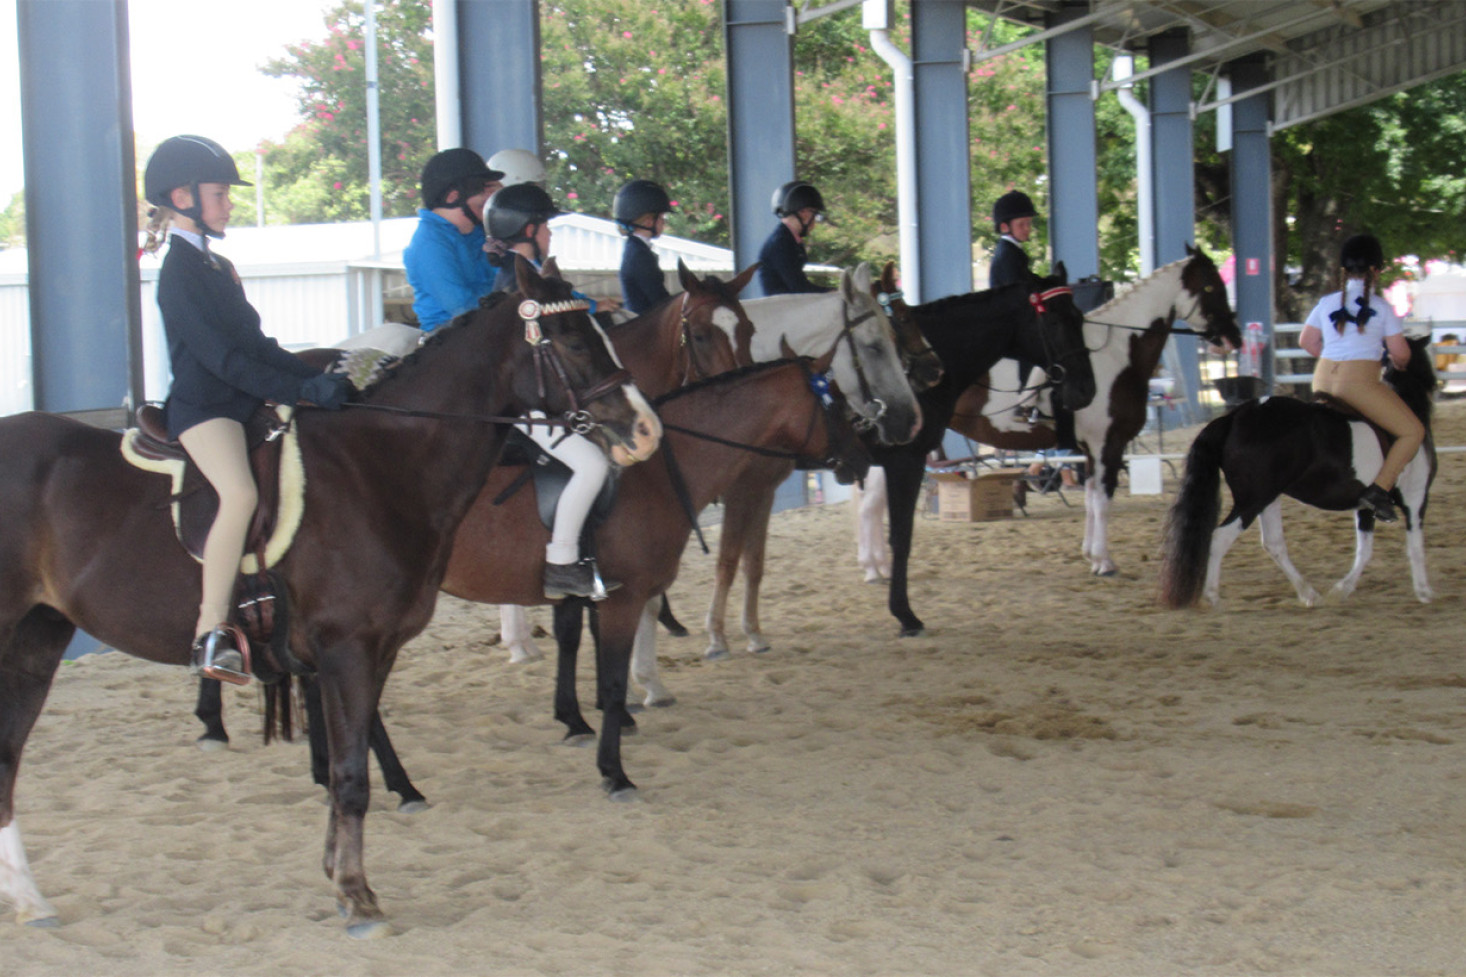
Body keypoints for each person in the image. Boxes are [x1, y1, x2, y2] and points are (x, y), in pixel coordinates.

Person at [142, 135, 351, 685]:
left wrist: (316, 378)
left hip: (240, 401)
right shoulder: (178, 274)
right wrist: (297, 392)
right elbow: (223, 361)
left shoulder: (216, 266)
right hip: (206, 407)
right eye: (220, 195)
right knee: (240, 494)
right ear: (182, 196)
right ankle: (210, 634)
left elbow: (257, 345)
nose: (229, 204)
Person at [484, 184, 619, 599]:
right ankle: (561, 563)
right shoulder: (518, 287)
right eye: (546, 227)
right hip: (522, 404)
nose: (550, 235)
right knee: (592, 465)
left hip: (534, 395)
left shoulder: (525, 276)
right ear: (528, 229)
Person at [1299, 232, 1422, 523]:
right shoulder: (1381, 307)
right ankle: (1380, 489)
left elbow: (1307, 342)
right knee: (1412, 432)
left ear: (1344, 271)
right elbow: (1401, 353)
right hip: (1359, 384)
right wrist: (1399, 364)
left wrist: (1336, 356)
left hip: (1322, 379)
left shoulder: (1326, 302)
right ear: (1376, 271)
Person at [402, 148, 505, 334]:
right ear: (453, 196)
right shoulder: (429, 243)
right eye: (483, 189)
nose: (491, 197)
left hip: (486, 331)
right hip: (447, 338)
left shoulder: (481, 233)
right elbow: (461, 307)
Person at [757, 180, 833, 296]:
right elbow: (799, 288)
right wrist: (834, 292)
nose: (815, 223)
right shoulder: (782, 243)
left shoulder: (789, 241)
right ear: (804, 213)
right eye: (815, 215)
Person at [614, 179, 674, 314]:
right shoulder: (639, 254)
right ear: (648, 221)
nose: (664, 222)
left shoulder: (635, 247)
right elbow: (660, 300)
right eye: (661, 217)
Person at [989, 189, 1037, 288]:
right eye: (1021, 224)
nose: (1027, 228)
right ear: (1004, 227)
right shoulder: (1008, 254)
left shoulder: (1011, 250)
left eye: (1029, 223)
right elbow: (1019, 289)